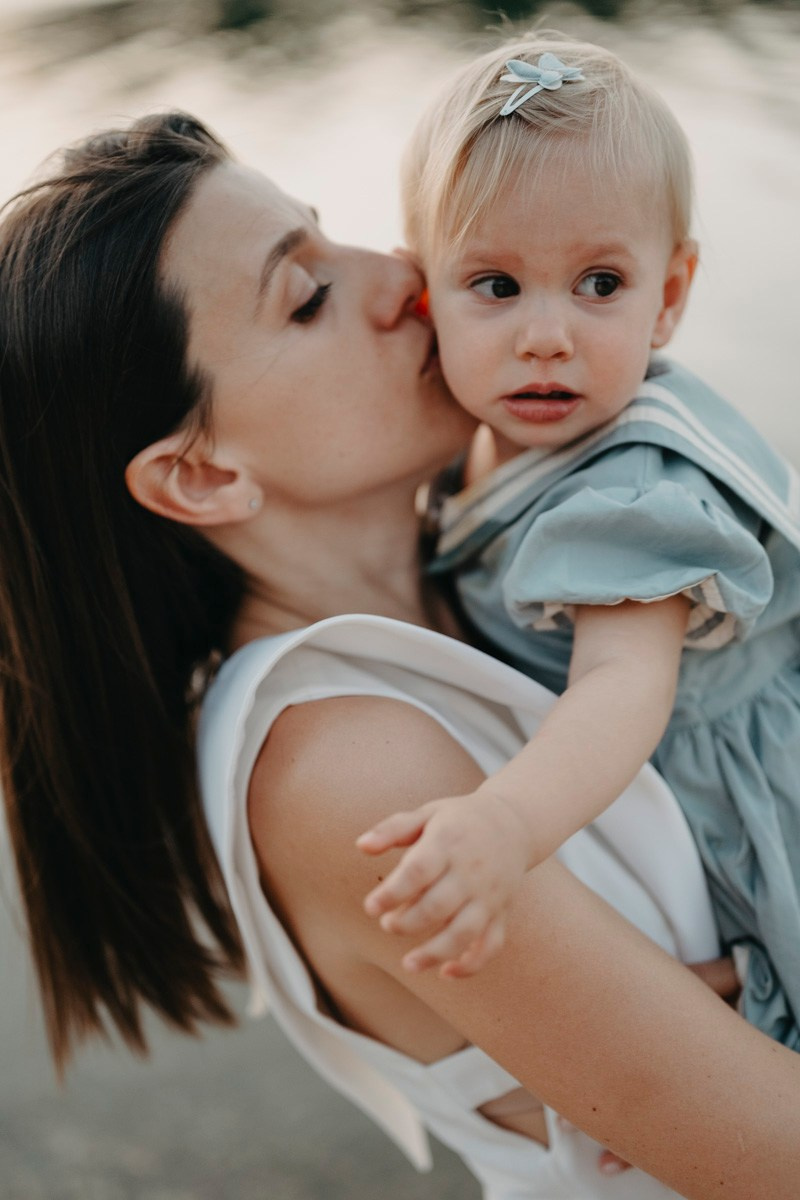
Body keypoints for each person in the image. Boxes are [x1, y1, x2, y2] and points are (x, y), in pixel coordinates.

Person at [2, 111, 800, 1200]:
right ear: (203, 476)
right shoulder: (348, 771)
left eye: (334, 233)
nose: (401, 276)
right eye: (308, 296)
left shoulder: (504, 552)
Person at [358, 33, 800, 1051]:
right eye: (495, 285)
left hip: (735, 793)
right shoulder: (482, 440)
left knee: (750, 1021)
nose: (546, 336)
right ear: (423, 295)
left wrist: (504, 822)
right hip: (629, 786)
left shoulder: (630, 492)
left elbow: (620, 686)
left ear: (669, 297)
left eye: (600, 284)